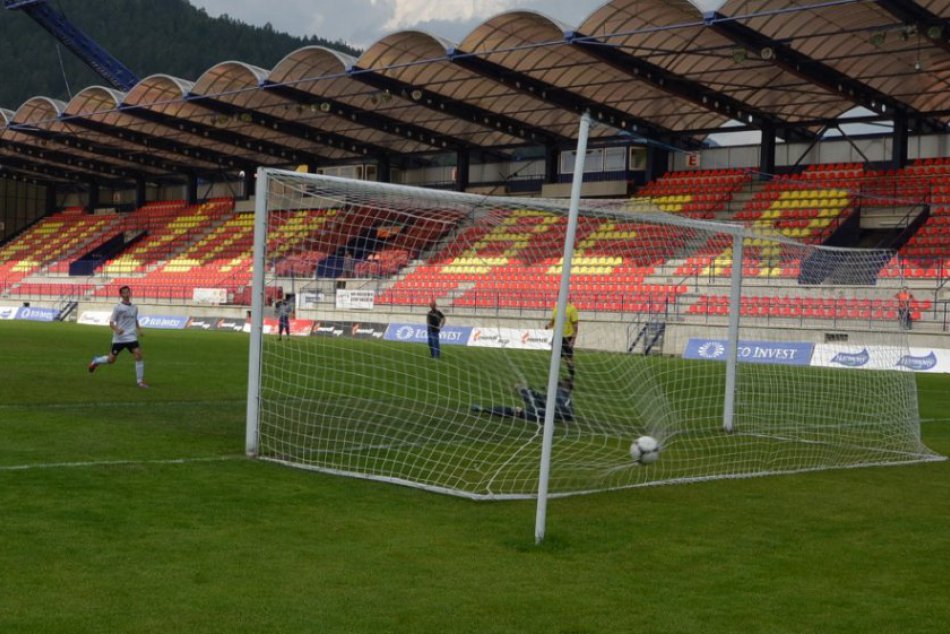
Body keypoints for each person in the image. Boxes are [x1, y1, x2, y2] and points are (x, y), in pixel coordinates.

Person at [87, 285, 148, 388]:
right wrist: (117, 330)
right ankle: (96, 360)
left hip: (131, 337)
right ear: (121, 295)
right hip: (119, 338)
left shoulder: (134, 307)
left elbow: (135, 319)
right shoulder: (118, 307)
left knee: (138, 354)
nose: (127, 294)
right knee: (111, 360)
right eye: (124, 292)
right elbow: (111, 323)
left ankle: (140, 381)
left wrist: (139, 330)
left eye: (128, 292)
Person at [472, 378, 575, 424]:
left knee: (517, 410)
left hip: (542, 413)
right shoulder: (564, 397)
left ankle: (521, 389)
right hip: (546, 412)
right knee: (529, 399)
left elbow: (564, 412)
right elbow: (543, 398)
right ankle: (521, 389)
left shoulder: (561, 395)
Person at [546, 300, 579, 379]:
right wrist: (548, 326)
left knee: (568, 359)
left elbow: (575, 326)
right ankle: (554, 378)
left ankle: (571, 376)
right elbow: (553, 322)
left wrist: (573, 339)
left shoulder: (572, 309)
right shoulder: (556, 308)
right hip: (557, 337)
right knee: (555, 358)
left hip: (567, 338)